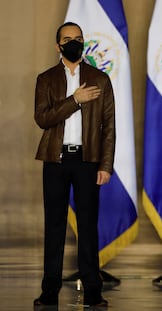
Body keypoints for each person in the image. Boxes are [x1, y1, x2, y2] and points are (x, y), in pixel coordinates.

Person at [33, 22, 115, 308]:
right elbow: (43, 118)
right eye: (67, 39)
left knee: (88, 227)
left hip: (87, 161)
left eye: (77, 38)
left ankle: (93, 289)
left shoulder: (100, 79)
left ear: (84, 42)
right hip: (55, 160)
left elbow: (109, 128)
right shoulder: (46, 79)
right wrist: (75, 100)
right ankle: (50, 290)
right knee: (54, 227)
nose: (73, 43)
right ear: (58, 46)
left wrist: (105, 165)